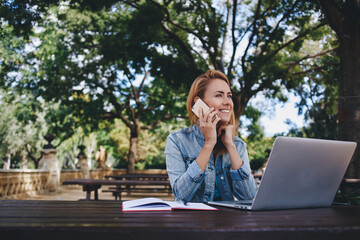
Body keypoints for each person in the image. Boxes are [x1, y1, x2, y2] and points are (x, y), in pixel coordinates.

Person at [165, 70, 257, 203]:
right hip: (190, 221)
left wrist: (231, 146)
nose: (228, 102)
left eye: (229, 96)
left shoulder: (238, 144)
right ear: (199, 103)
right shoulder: (177, 140)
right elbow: (181, 195)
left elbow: (249, 197)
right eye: (219, 95)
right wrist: (209, 143)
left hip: (227, 221)